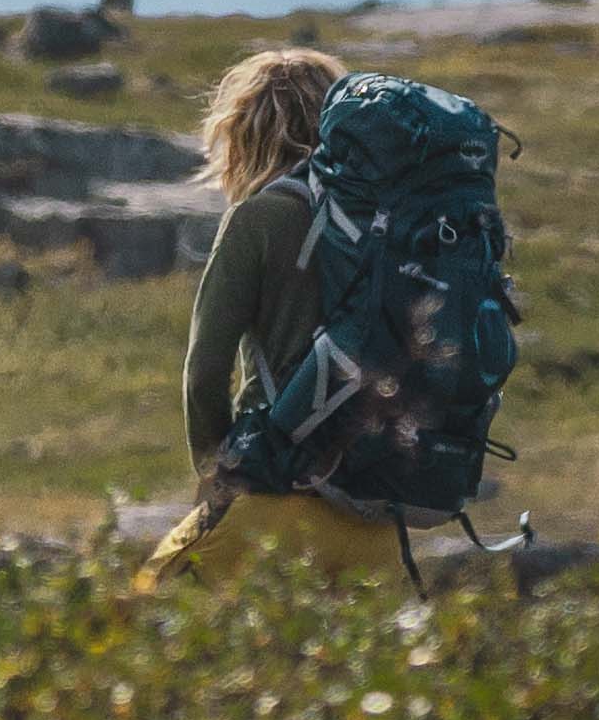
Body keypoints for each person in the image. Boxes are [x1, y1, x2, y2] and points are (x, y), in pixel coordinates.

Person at [141, 42, 408, 593]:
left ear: (243, 131)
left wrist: (217, 479)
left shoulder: (258, 219)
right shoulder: (392, 225)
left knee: (142, 619)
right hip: (376, 524)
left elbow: (204, 373)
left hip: (270, 505)